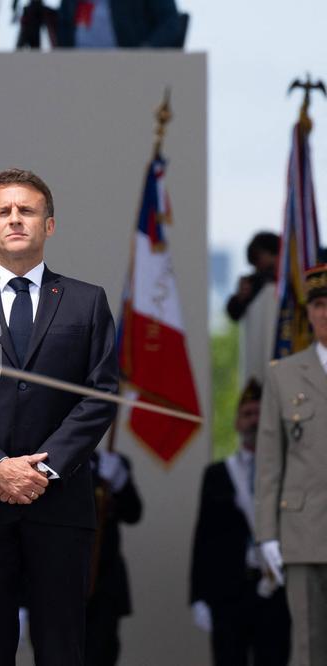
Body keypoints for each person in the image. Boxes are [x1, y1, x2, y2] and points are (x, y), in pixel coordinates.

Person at [0, 168, 118, 665]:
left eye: (27, 211)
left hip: (61, 505)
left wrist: (41, 469)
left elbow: (99, 395)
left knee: (62, 649)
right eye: (3, 212)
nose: (15, 220)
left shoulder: (86, 302)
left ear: (48, 225)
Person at [255, 264, 327, 666]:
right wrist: (267, 534)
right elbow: (269, 462)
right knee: (308, 646)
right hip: (304, 531)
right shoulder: (283, 376)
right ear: (309, 312)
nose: (326, 313)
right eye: (319, 304)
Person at [190, 379, 290, 666]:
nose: (254, 421)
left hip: (276, 592)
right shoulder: (218, 474)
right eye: (247, 414)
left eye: (260, 414)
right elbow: (204, 538)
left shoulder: (289, 473)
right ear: (236, 422)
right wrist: (198, 596)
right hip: (228, 592)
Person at [85, 449, 142, 666]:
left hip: (105, 579)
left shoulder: (114, 462)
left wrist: (120, 482)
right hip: (61, 579)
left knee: (102, 653)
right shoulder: (48, 458)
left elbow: (134, 513)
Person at [227, 232, 281, 387]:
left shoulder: (292, 283)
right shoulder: (252, 284)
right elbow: (234, 312)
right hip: (257, 361)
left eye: (259, 258)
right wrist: (240, 298)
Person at [55, 0, 186, 49]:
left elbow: (171, 24)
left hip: (129, 71)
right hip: (76, 69)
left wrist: (146, 50)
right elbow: (63, 29)